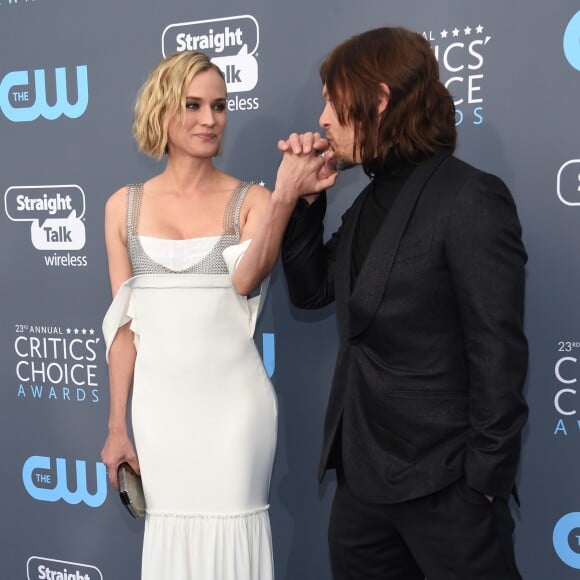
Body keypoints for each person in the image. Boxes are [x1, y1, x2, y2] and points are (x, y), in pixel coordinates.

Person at [279, 27, 529, 579]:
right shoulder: (369, 202)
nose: (322, 118)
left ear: (381, 99)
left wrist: (482, 486)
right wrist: (307, 203)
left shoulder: (469, 197)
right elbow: (312, 290)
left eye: (333, 100)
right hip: (362, 488)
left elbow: (498, 354)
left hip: (446, 487)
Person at [100, 50, 335, 580]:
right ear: (162, 111)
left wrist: (284, 198)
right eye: (193, 105)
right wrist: (118, 425)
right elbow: (123, 331)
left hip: (235, 413)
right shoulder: (122, 207)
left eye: (220, 106)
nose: (210, 119)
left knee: (233, 541)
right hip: (159, 416)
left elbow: (247, 278)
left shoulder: (253, 200)